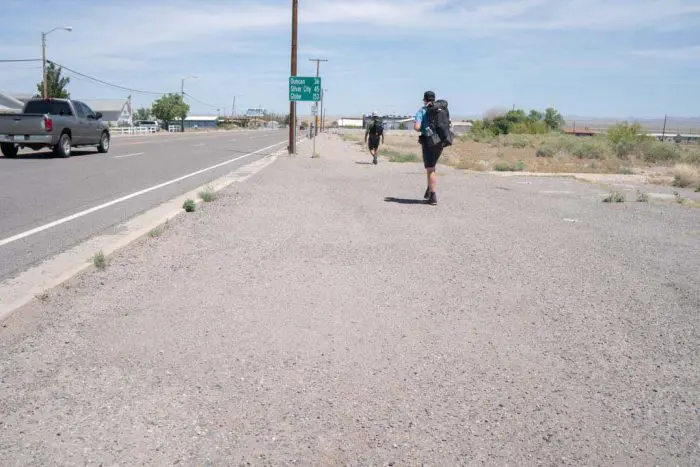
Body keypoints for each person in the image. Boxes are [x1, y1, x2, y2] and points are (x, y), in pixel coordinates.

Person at [414, 91, 442, 205]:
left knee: (430, 169)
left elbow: (417, 127)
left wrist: (421, 129)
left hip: (429, 141)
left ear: (425, 100)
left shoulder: (422, 110)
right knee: (432, 167)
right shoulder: (441, 109)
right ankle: (430, 188)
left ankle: (433, 196)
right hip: (440, 142)